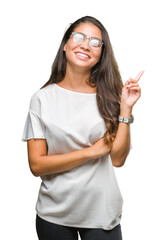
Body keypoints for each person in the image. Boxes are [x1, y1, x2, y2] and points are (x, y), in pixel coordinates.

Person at [22, 16, 144, 240]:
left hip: (101, 213)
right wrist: (92, 152)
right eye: (79, 37)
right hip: (54, 214)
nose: (86, 45)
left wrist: (125, 108)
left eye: (95, 42)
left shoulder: (110, 97)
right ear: (66, 45)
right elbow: (36, 165)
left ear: (100, 54)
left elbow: (117, 159)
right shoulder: (41, 99)